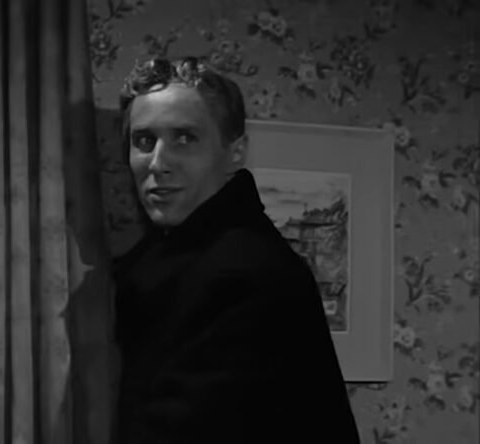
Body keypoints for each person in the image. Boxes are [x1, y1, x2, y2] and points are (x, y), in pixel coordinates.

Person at [112, 56, 360, 443]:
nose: (158, 163)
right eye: (144, 141)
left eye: (184, 138)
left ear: (236, 152)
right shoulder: (165, 260)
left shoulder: (247, 274)